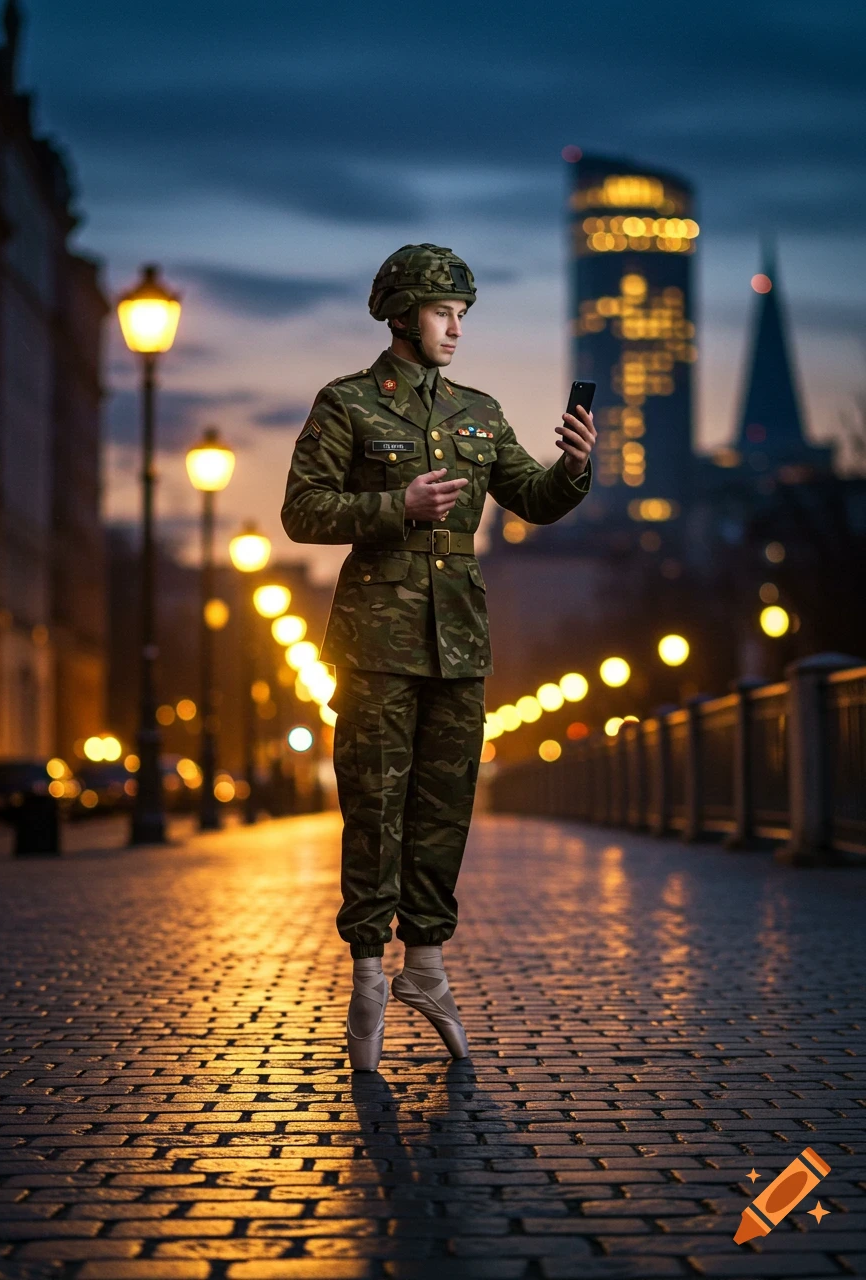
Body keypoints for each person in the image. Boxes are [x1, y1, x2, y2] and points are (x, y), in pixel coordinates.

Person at [281, 243, 596, 1071]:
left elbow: (532, 497)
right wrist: (397, 504)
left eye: (462, 314)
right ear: (402, 316)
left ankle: (426, 966)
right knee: (374, 804)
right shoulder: (346, 403)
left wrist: (574, 467)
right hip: (376, 641)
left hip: (459, 642)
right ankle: (367, 975)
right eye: (442, 313)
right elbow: (303, 512)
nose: (456, 328)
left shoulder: (479, 413)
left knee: (445, 807)